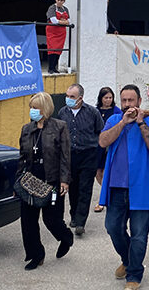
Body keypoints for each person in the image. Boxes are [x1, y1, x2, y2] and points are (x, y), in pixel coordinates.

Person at [98, 84, 149, 290]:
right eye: (124, 100)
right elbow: (102, 141)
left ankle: (134, 274)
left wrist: (141, 123)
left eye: (131, 100)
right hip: (117, 186)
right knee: (112, 227)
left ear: (139, 102)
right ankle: (128, 262)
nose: (128, 105)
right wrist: (123, 123)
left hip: (141, 187)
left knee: (139, 234)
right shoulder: (114, 119)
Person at [17, 92, 73, 270]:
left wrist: (64, 180)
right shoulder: (27, 129)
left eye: (35, 108)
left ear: (45, 109)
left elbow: (65, 156)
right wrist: (17, 182)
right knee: (28, 220)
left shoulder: (59, 127)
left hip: (52, 180)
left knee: (52, 219)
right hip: (30, 180)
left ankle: (65, 237)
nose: (32, 111)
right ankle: (36, 254)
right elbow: (22, 157)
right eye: (31, 107)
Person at [58, 84, 104, 236]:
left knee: (85, 188)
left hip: (88, 154)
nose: (69, 99)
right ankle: (73, 215)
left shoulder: (92, 112)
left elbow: (100, 130)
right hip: (70, 155)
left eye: (72, 97)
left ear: (80, 98)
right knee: (73, 187)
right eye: (67, 96)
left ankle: (81, 222)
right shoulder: (62, 112)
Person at [94, 87, 122, 213]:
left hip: (110, 147)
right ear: (101, 98)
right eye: (106, 98)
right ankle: (107, 192)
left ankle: (102, 199)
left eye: (110, 98)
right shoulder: (95, 111)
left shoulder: (117, 112)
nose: (108, 100)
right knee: (98, 173)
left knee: (106, 172)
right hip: (98, 146)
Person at [45, 0, 70, 74]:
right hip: (52, 31)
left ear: (64, 1)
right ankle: (50, 68)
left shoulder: (65, 9)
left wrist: (62, 22)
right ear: (56, 0)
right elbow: (53, 21)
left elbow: (69, 21)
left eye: (61, 0)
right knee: (52, 49)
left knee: (59, 50)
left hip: (61, 32)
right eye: (58, 0)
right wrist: (64, 22)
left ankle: (55, 67)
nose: (59, 2)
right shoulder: (52, 8)